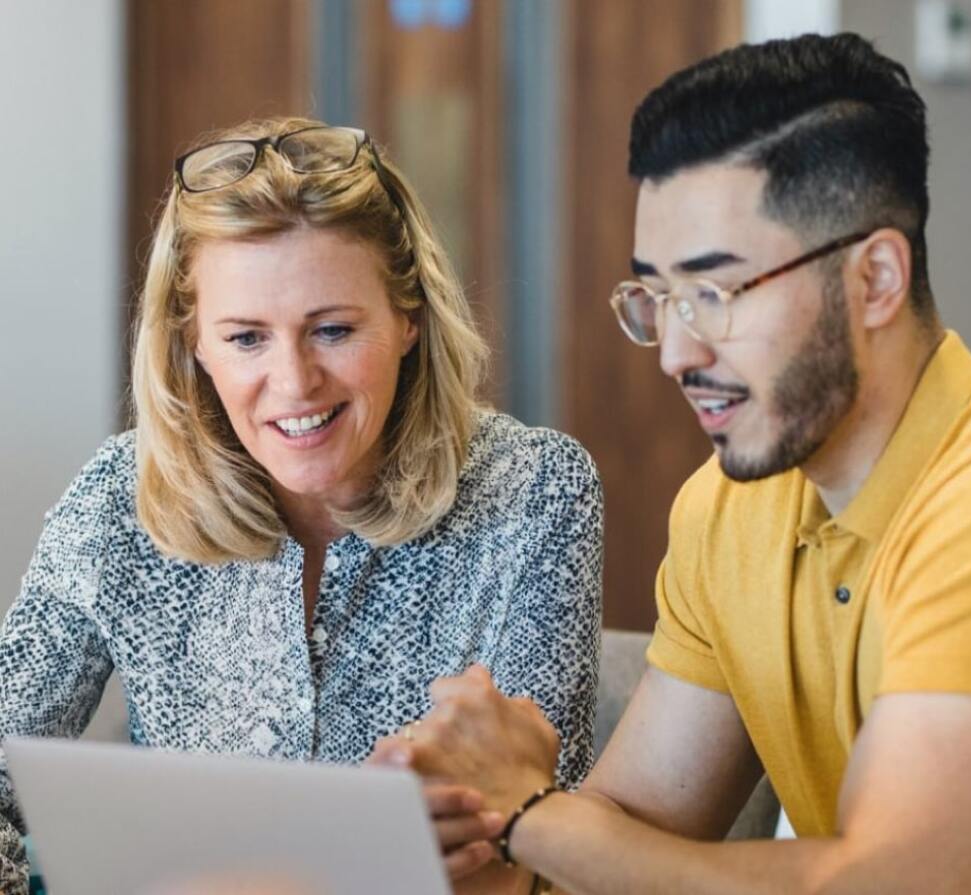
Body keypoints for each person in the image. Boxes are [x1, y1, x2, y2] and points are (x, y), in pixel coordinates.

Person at [375, 34, 971, 893]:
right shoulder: (729, 507)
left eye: (713, 293)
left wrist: (533, 814)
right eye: (656, 296)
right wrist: (481, 819)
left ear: (874, 279)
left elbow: (890, 885)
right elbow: (629, 830)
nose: (675, 351)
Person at [0, 118, 603, 894]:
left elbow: (541, 843)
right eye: (247, 338)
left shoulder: (536, 491)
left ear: (408, 317)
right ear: (194, 343)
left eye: (332, 329)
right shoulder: (118, 500)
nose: (294, 383)